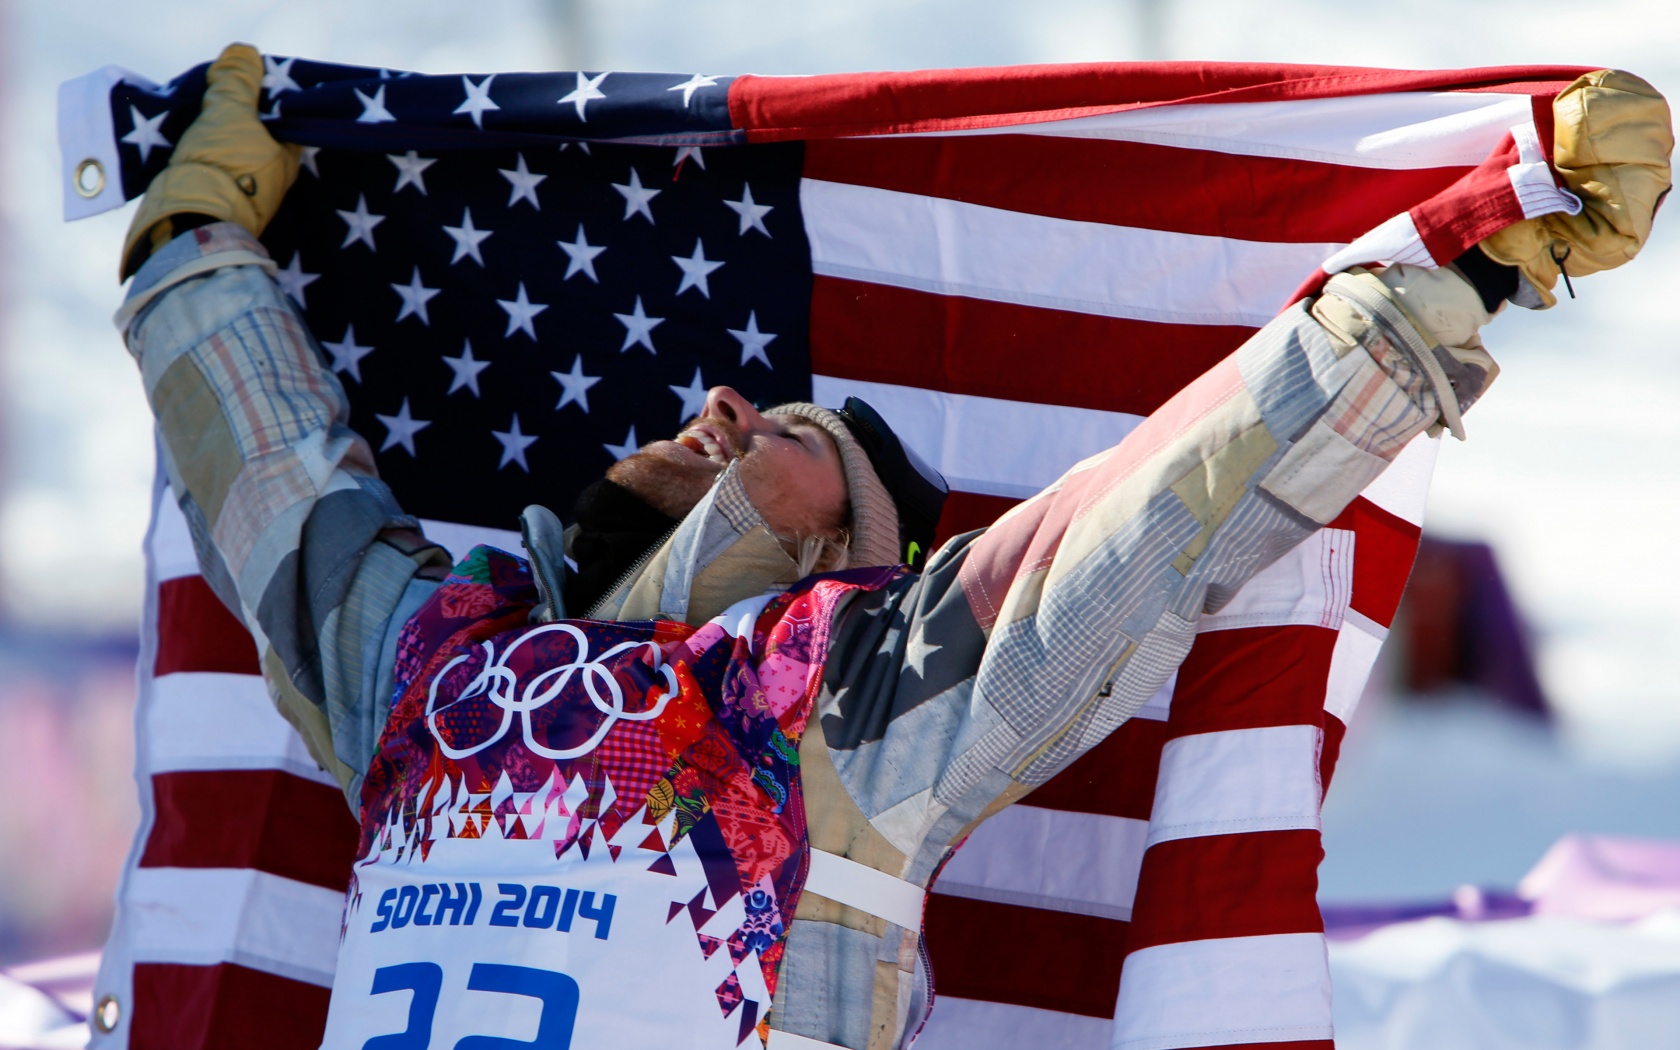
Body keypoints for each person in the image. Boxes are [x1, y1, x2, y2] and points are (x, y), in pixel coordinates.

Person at [113, 45, 1670, 1050]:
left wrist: (1451, 263)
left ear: (855, 571)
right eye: (723, 418)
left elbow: (1146, 523)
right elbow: (272, 484)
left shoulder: (846, 705)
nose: (722, 405)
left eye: (800, 438)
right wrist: (189, 243)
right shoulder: (429, 668)